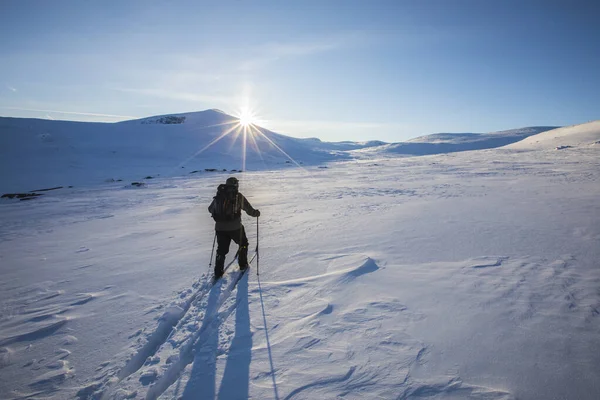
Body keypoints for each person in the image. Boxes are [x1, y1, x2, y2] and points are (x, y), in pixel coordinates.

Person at [208, 177, 260, 278]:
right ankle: (243, 264)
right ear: (236, 185)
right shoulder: (238, 196)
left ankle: (218, 271)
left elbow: (210, 209)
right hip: (235, 227)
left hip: (220, 228)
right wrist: (256, 213)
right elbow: (249, 210)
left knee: (221, 250)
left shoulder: (219, 195)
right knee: (243, 243)